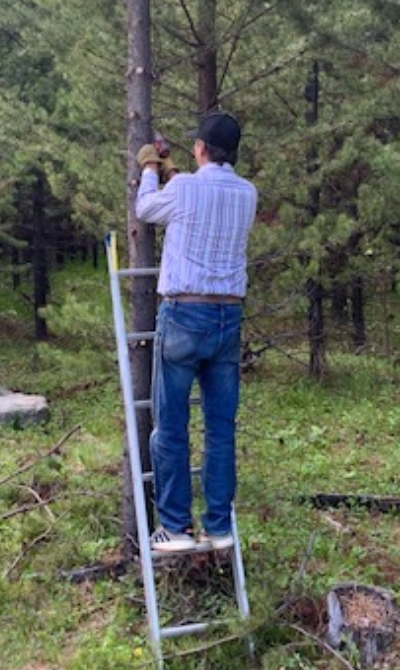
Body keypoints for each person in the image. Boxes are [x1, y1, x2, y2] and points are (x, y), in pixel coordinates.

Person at [134, 111, 258, 553]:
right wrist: (174, 175)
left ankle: (174, 526)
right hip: (228, 319)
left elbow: (147, 209)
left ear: (201, 148)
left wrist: (151, 168)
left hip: (185, 315)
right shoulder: (247, 193)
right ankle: (220, 525)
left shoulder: (184, 188)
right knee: (221, 427)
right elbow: (201, 199)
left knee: (170, 425)